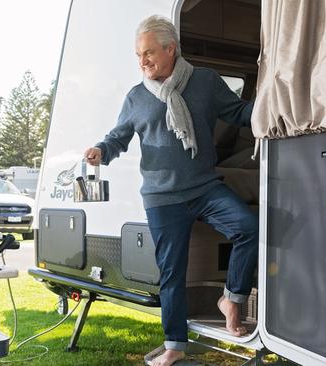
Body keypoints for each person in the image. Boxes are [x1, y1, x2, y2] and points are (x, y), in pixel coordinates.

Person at [84, 15, 257, 366]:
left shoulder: (205, 83)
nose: (142, 61)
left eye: (148, 53)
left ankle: (231, 299)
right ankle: (175, 346)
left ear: (170, 49)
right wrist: (102, 150)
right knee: (173, 273)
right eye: (138, 55)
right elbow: (119, 137)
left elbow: (239, 113)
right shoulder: (137, 97)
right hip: (162, 197)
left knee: (248, 228)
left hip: (205, 187)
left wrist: (279, 103)